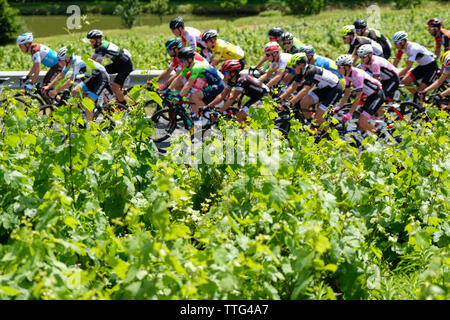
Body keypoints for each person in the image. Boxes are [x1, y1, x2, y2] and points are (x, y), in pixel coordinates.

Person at [280, 53, 343, 129]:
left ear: (302, 65)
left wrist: (290, 102)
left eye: (294, 66)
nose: (293, 68)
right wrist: (280, 98)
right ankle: (313, 125)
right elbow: (293, 87)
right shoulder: (301, 71)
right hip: (324, 88)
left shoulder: (310, 71)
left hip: (335, 89)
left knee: (318, 116)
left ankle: (330, 136)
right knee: (303, 103)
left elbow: (305, 91)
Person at [170, 47, 225, 126]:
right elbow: (179, 78)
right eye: (180, 61)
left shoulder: (196, 67)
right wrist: (168, 89)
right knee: (193, 98)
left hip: (218, 84)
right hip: (211, 83)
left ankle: (203, 117)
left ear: (189, 59)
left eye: (182, 60)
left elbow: (189, 83)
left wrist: (179, 96)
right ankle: (200, 116)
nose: (181, 63)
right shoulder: (188, 66)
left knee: (194, 96)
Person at [335, 54, 385, 135]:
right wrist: (339, 106)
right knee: (360, 124)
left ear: (346, 67)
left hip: (377, 95)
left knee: (362, 121)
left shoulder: (358, 74)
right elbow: (347, 93)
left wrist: (350, 113)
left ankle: (381, 136)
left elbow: (358, 96)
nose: (338, 69)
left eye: (339, 67)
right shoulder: (347, 75)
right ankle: (364, 143)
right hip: (371, 96)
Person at [87, 29, 133, 107]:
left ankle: (125, 107)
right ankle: (111, 94)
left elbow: (98, 63)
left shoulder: (102, 48)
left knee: (115, 87)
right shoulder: (99, 46)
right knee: (103, 72)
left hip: (125, 66)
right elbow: (92, 60)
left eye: (91, 41)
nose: (90, 43)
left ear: (97, 40)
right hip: (118, 64)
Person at [392, 30, 439, 103]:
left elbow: (408, 66)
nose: (395, 45)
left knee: (421, 90)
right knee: (405, 81)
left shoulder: (413, 49)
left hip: (431, 67)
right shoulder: (402, 48)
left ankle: (421, 107)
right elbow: (397, 60)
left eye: (396, 43)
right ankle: (417, 97)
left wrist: (395, 76)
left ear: (403, 42)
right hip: (422, 66)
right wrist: (391, 71)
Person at [71, 57, 110, 122]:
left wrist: (56, 90)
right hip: (93, 79)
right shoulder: (71, 64)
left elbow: (70, 79)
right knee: (75, 92)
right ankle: (84, 115)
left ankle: (90, 127)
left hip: (102, 77)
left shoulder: (76, 63)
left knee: (88, 103)